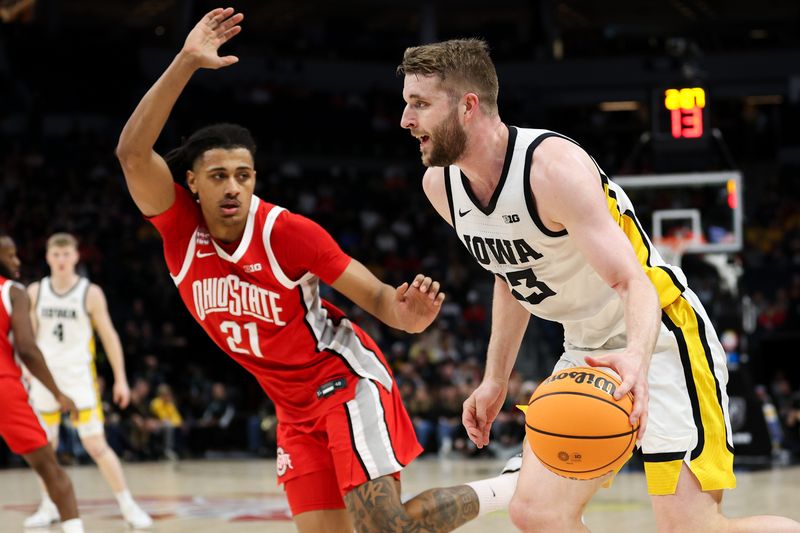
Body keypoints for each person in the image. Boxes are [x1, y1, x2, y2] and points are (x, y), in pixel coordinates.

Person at [115, 8, 518, 533]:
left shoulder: (287, 233)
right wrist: (187, 61)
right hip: (291, 409)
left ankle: (512, 484)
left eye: (244, 174)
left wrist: (410, 317)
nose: (233, 186)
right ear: (191, 182)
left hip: (344, 381)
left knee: (385, 527)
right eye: (218, 176)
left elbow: (377, 298)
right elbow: (130, 152)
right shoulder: (177, 230)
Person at [397, 39, 800, 532]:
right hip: (585, 348)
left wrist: (635, 357)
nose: (405, 119)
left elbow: (636, 283)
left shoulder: (552, 169)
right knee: (537, 513)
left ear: (468, 106)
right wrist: (495, 378)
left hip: (661, 340)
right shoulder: (441, 186)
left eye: (419, 104)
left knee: (693, 529)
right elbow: (510, 277)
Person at [24, 233, 152, 529]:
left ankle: (128, 505)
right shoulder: (35, 292)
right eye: (56, 255)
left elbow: (110, 337)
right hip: (45, 380)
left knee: (96, 445)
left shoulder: (90, 293)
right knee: (45, 447)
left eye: (66, 254)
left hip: (79, 380)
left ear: (76, 256)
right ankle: (48, 506)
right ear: (47, 257)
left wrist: (120, 379)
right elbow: (28, 338)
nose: (61, 260)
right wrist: (25, 372)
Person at [0, 235, 85, 533]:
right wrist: (58, 393)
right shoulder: (13, 291)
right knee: (52, 471)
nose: (17, 261)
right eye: (10, 255)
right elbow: (27, 349)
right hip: (4, 387)